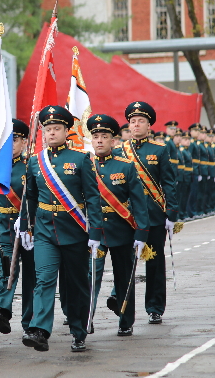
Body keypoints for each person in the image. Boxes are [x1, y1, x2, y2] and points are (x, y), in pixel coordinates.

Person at [17, 105, 102, 352]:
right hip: (45, 231)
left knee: (75, 284)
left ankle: (78, 330)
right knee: (43, 279)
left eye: (56, 129)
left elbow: (93, 198)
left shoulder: (81, 159)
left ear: (67, 131)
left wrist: (95, 233)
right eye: (48, 129)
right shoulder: (35, 162)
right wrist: (25, 225)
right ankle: (40, 330)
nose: (51, 133)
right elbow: (29, 197)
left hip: (75, 231)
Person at [113, 101, 178, 325]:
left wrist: (171, 212)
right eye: (133, 122)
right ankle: (118, 298)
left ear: (149, 125)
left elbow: (169, 183)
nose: (136, 125)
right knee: (123, 260)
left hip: (153, 215)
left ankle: (155, 306)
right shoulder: (119, 151)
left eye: (141, 121)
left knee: (154, 263)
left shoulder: (159, 150)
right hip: (125, 215)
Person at [86, 114, 149, 336]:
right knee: (90, 278)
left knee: (125, 278)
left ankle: (126, 320)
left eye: (105, 136)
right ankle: (86, 320)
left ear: (114, 141)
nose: (100, 140)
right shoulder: (84, 165)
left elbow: (139, 203)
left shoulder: (126, 166)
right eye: (96, 136)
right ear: (91, 140)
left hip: (122, 230)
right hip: (94, 232)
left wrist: (141, 234)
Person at [0, 118, 36, 335]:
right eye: (6, 140)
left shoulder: (30, 165)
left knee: (31, 275)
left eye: (15, 139)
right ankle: (3, 310)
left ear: (23, 142)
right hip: (2, 225)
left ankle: (29, 322)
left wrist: (29, 221)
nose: (11, 144)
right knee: (6, 268)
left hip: (27, 226)